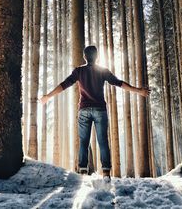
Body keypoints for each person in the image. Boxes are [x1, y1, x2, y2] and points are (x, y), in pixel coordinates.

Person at [39, 45, 150, 181]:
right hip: (100, 110)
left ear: (84, 57)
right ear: (97, 56)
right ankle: (106, 173)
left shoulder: (79, 71)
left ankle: (83, 171)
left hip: (84, 110)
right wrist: (139, 90)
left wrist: (48, 96)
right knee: (103, 141)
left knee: (83, 142)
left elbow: (64, 84)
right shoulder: (102, 71)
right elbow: (119, 83)